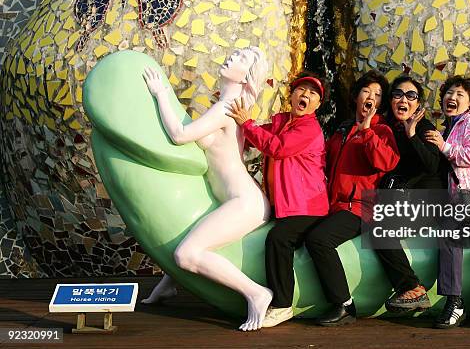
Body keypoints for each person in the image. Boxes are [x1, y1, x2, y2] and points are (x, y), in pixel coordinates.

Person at [140, 47, 273, 331]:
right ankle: (168, 286)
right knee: (188, 235)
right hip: (233, 199)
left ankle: (256, 293)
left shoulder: (227, 107)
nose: (231, 56)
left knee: (186, 254)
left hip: (244, 203)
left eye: (240, 58)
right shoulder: (230, 103)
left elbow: (180, 135)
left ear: (246, 76)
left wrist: (161, 93)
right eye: (235, 53)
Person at [305, 70, 429, 326]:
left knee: (319, 240)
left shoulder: (382, 130)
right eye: (366, 91)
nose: (371, 97)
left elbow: (385, 161)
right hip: (333, 205)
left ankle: (344, 304)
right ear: (356, 96)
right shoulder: (341, 129)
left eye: (377, 94)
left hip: (360, 207)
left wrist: (367, 131)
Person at [226, 72, 329, 328]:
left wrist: (246, 124)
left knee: (279, 238)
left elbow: (278, 148)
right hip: (287, 207)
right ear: (291, 95)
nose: (305, 95)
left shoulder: (309, 127)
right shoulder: (282, 122)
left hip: (308, 208)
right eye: (300, 90)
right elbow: (256, 136)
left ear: (318, 105)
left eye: (312, 93)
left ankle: (282, 304)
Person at [424, 76, 470, 328]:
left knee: (450, 234)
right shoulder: (447, 127)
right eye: (448, 93)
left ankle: (455, 301)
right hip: (453, 199)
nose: (452, 98)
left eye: (459, 94)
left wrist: (444, 146)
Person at [379, 74, 447, 313]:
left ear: (418, 104)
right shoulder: (387, 128)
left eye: (411, 95)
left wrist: (412, 133)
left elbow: (431, 165)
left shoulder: (426, 129)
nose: (403, 99)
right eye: (397, 94)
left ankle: (412, 289)